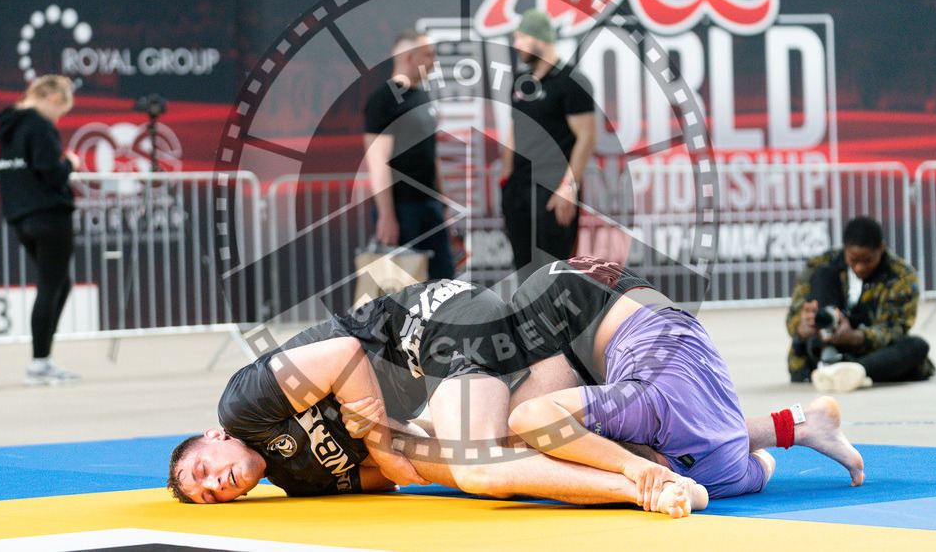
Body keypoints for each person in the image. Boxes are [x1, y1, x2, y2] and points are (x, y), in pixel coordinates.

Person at [168, 279, 698, 516]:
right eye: (212, 494)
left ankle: (637, 488)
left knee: (476, 468)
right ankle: (665, 461)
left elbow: (346, 356)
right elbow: (401, 475)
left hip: (432, 326)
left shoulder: (240, 407)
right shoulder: (297, 483)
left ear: (214, 439)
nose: (217, 484)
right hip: (463, 365)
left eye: (203, 472)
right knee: (506, 455)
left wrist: (376, 439)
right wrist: (398, 446)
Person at [504, 256, 866, 506]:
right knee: (538, 441)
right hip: (564, 296)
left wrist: (644, 469)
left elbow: (765, 465)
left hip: (650, 314)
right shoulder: (646, 410)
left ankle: (804, 423)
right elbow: (530, 418)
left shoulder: (727, 472)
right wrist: (628, 465)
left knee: (540, 447)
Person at [0, 75, 81, 385]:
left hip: (21, 217)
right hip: (48, 215)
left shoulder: (9, 125)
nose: (59, 119)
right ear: (55, 99)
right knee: (50, 287)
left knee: (61, 284)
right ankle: (40, 362)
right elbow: (52, 173)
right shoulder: (40, 124)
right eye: (62, 112)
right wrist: (70, 163)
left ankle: (42, 360)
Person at [500, 9, 597, 284]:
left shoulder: (572, 82)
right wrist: (506, 183)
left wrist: (568, 188)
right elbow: (513, 132)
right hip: (518, 190)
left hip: (553, 190)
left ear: (539, 39)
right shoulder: (521, 82)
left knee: (555, 275)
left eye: (521, 38)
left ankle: (557, 327)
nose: (516, 45)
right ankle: (527, 328)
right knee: (524, 272)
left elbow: (587, 138)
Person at [786, 216, 935, 392]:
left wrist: (855, 336)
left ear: (881, 248)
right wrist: (804, 327)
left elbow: (895, 329)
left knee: (918, 346)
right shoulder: (820, 265)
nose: (860, 267)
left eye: (867, 260)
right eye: (854, 260)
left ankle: (850, 370)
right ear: (845, 249)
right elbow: (793, 319)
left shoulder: (901, 275)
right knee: (822, 274)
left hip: (869, 351)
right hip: (819, 348)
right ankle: (838, 363)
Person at [363, 29, 454, 280]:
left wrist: (444, 204)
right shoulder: (384, 100)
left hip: (430, 207)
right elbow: (377, 161)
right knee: (405, 291)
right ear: (409, 57)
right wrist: (387, 215)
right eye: (428, 55)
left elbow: (430, 153)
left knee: (444, 284)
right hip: (403, 209)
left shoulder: (423, 96)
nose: (434, 62)